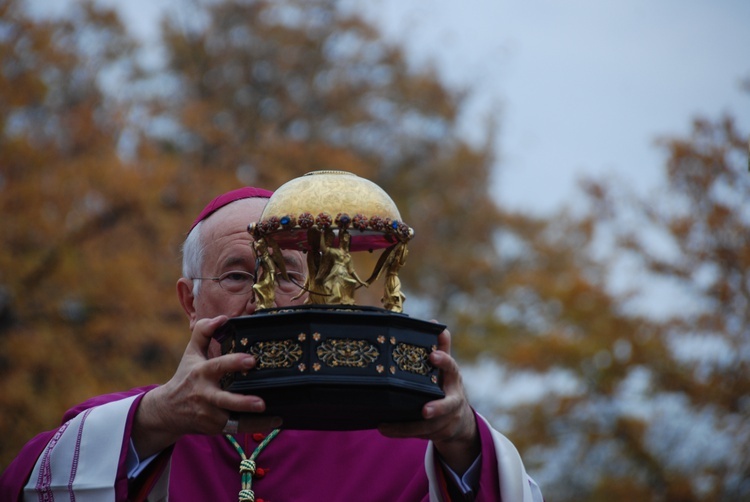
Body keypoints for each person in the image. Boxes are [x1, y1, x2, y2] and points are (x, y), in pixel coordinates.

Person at [0, 187, 543, 501]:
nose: (262, 302)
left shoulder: (403, 444)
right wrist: (157, 418)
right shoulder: (132, 428)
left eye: (284, 277)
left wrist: (464, 440)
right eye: (239, 277)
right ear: (190, 301)